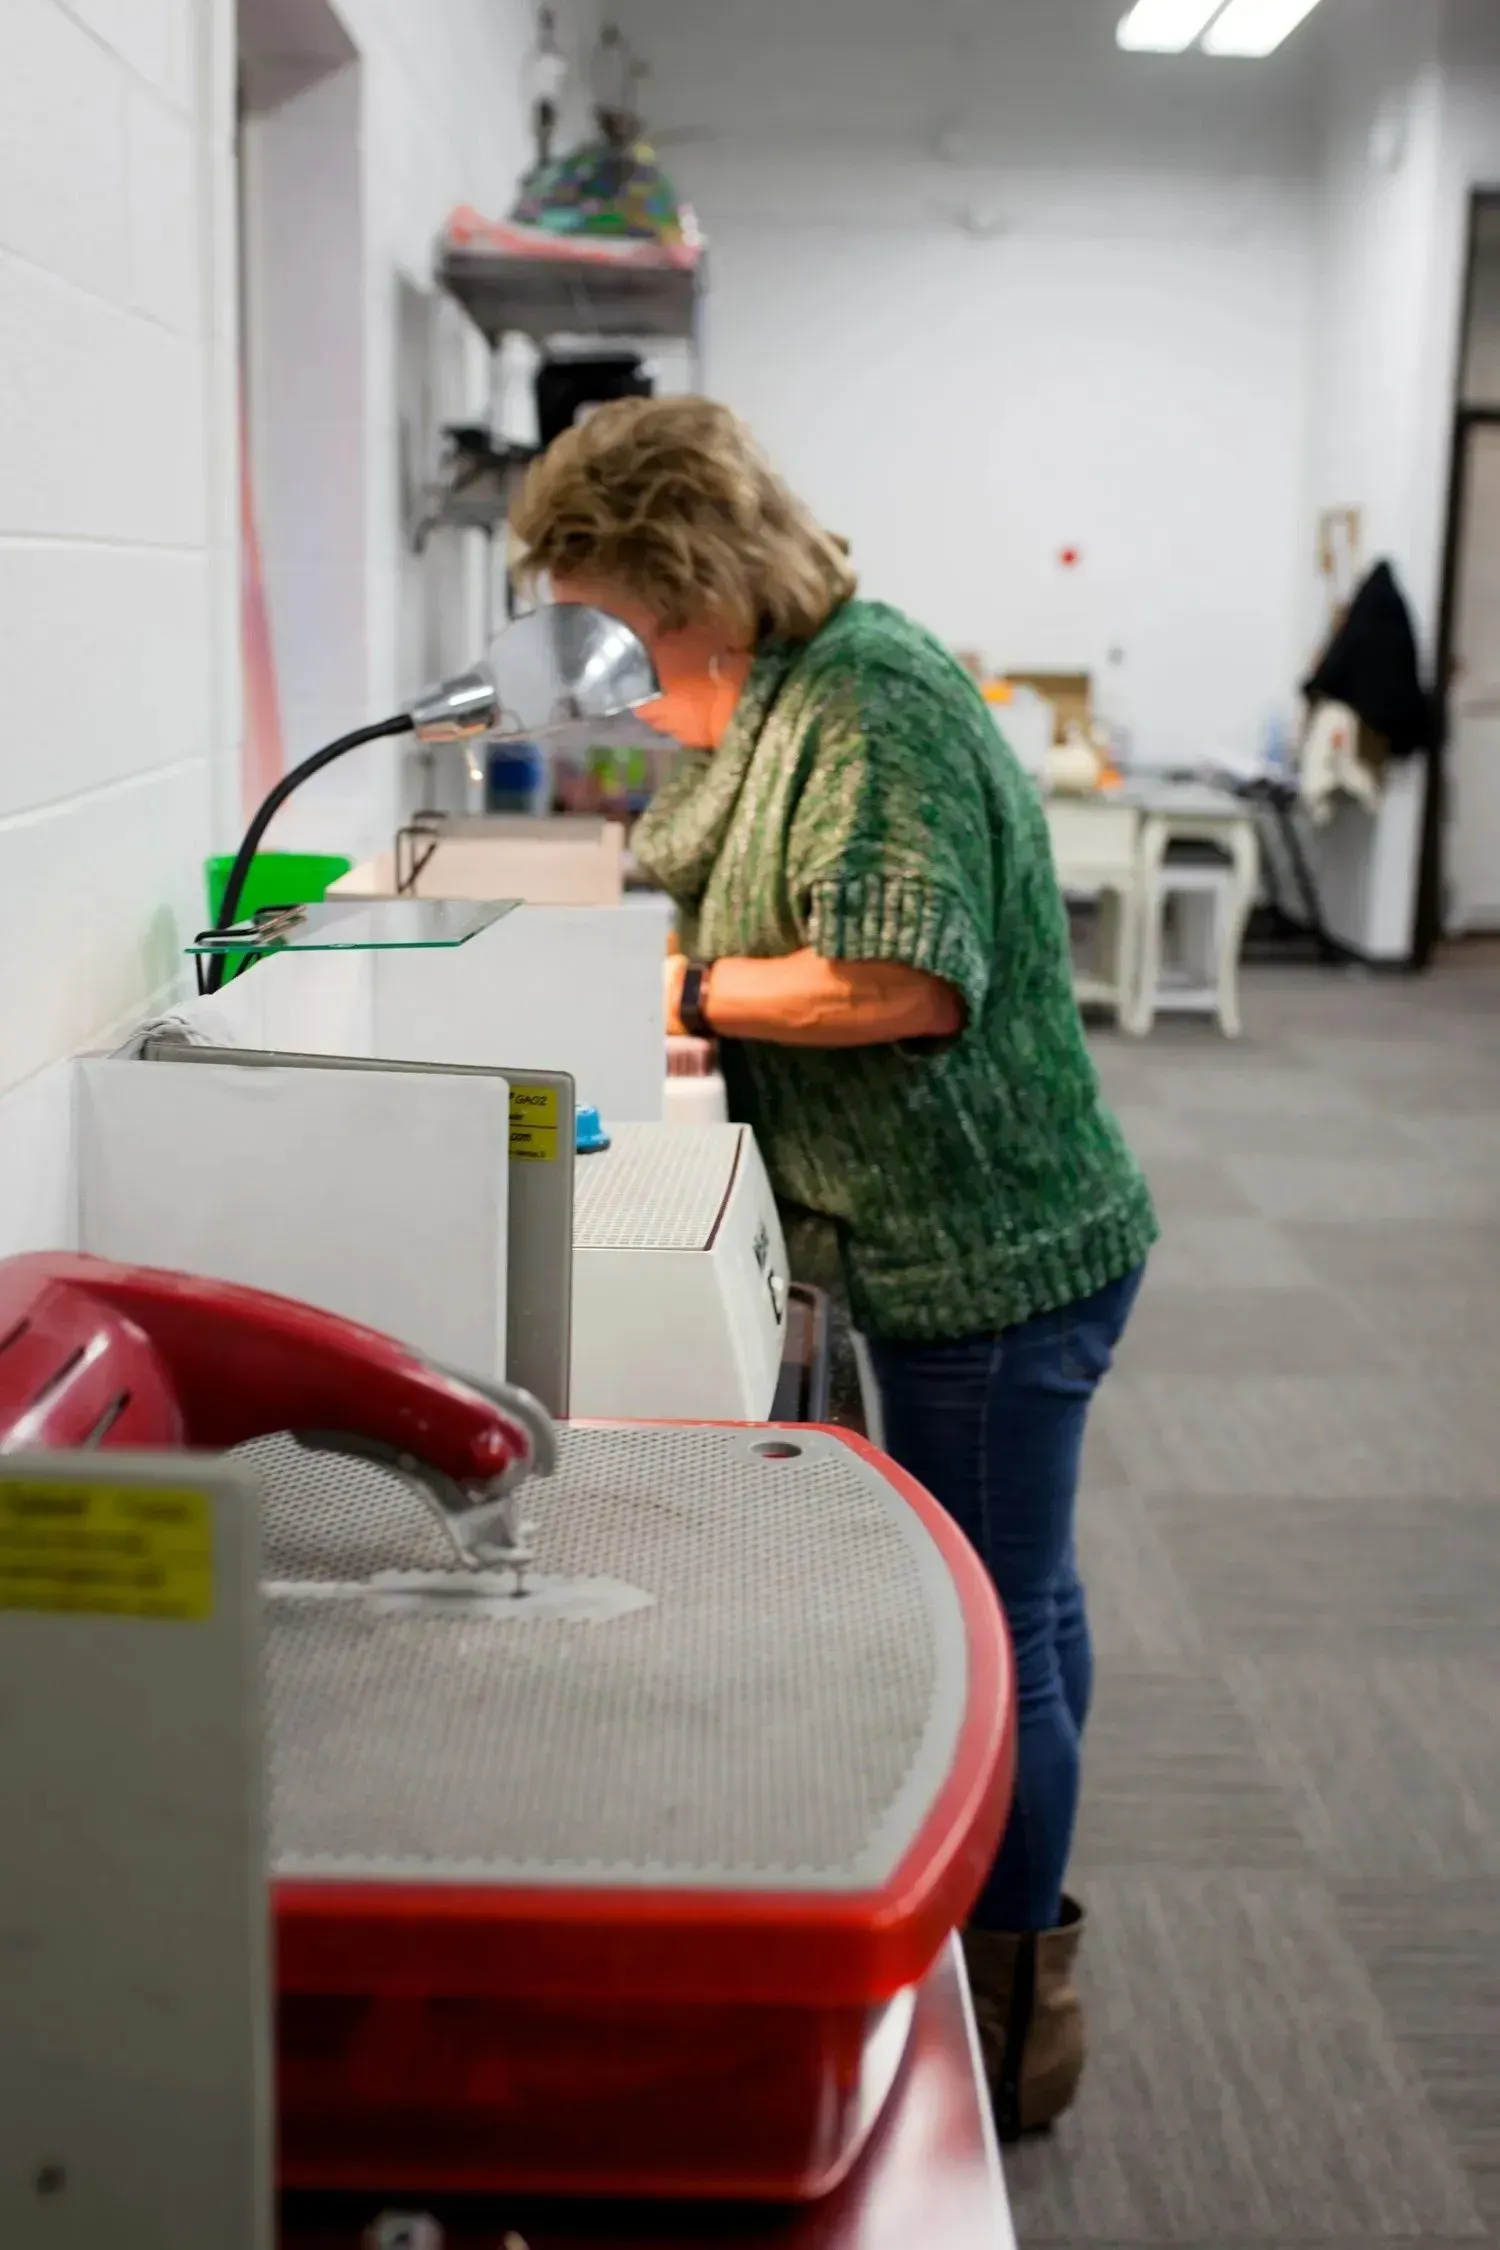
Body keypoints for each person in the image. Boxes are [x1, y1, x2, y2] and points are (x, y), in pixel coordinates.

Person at [513, 397, 1156, 2140]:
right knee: (1034, 1588)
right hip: (956, 1237)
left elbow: (900, 980)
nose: (624, 661)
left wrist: (690, 997)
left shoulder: (869, 699)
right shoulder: (783, 686)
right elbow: (695, 841)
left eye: (627, 620)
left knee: (998, 1621)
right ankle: (1013, 1962)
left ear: (695, 571)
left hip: (995, 1246)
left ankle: (1018, 2007)